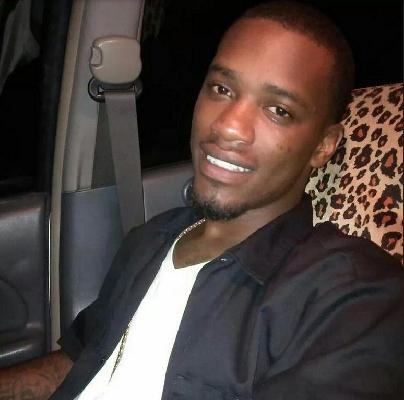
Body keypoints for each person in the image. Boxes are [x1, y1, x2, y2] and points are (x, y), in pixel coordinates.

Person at [1, 1, 403, 399]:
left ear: (323, 146)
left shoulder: (355, 298)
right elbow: (86, 360)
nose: (228, 126)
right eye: (222, 89)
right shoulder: (150, 239)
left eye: (278, 110)